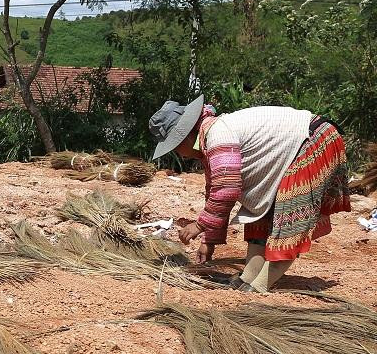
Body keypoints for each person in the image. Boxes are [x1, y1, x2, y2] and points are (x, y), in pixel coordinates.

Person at [149, 95, 351, 293]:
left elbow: (226, 189)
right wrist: (208, 240)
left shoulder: (218, 135)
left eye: (176, 147)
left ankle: (260, 285)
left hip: (312, 141)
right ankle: (248, 277)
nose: (178, 153)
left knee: (288, 216)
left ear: (185, 136)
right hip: (298, 148)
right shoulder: (209, 137)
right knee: (260, 211)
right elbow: (214, 191)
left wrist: (200, 225)